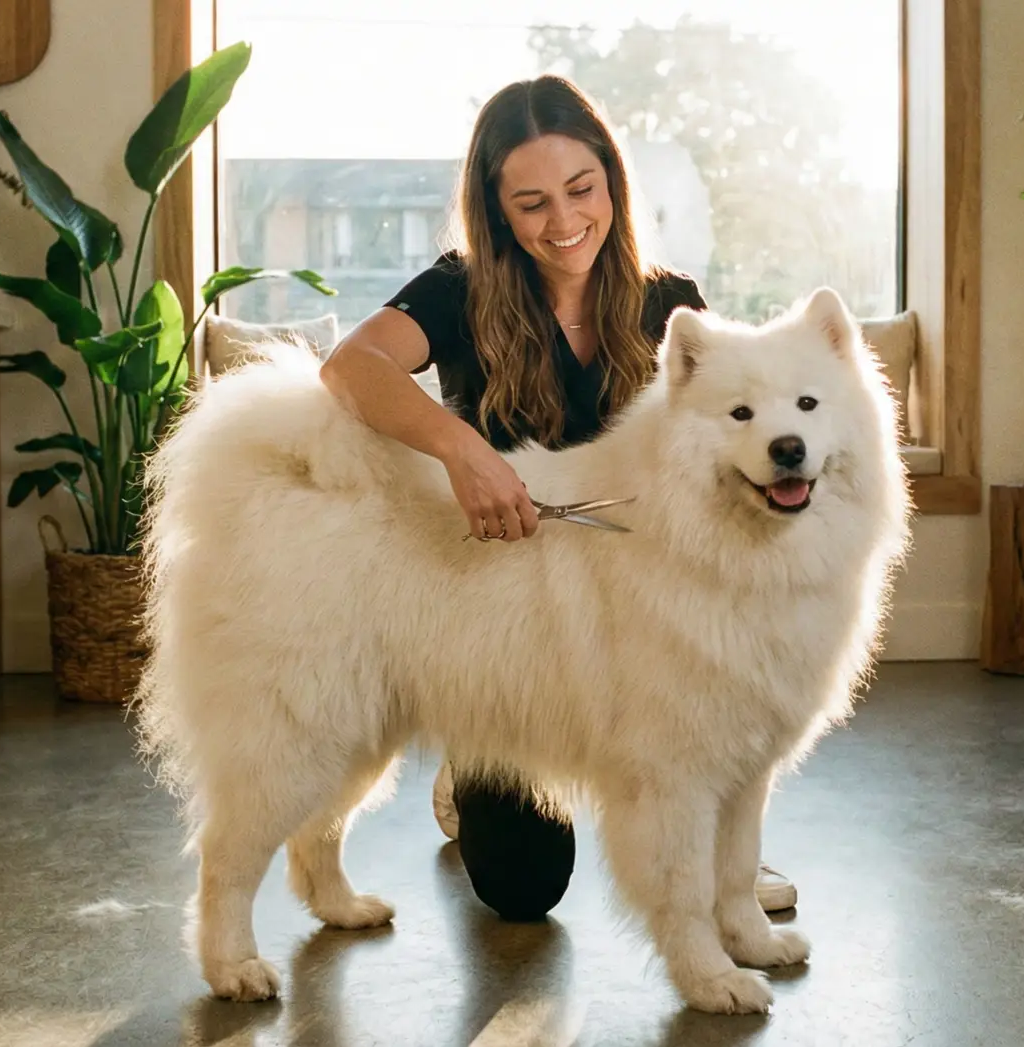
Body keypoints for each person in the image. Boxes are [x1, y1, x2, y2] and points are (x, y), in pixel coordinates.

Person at [316, 73, 798, 921]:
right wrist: (459, 448)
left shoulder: (671, 302)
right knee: (522, 888)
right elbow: (348, 366)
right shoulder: (457, 290)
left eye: (581, 189)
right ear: (497, 211)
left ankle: (720, 854)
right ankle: (469, 751)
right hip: (508, 622)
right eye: (531, 203)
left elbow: (726, 438)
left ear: (612, 180)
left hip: (643, 609)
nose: (564, 220)